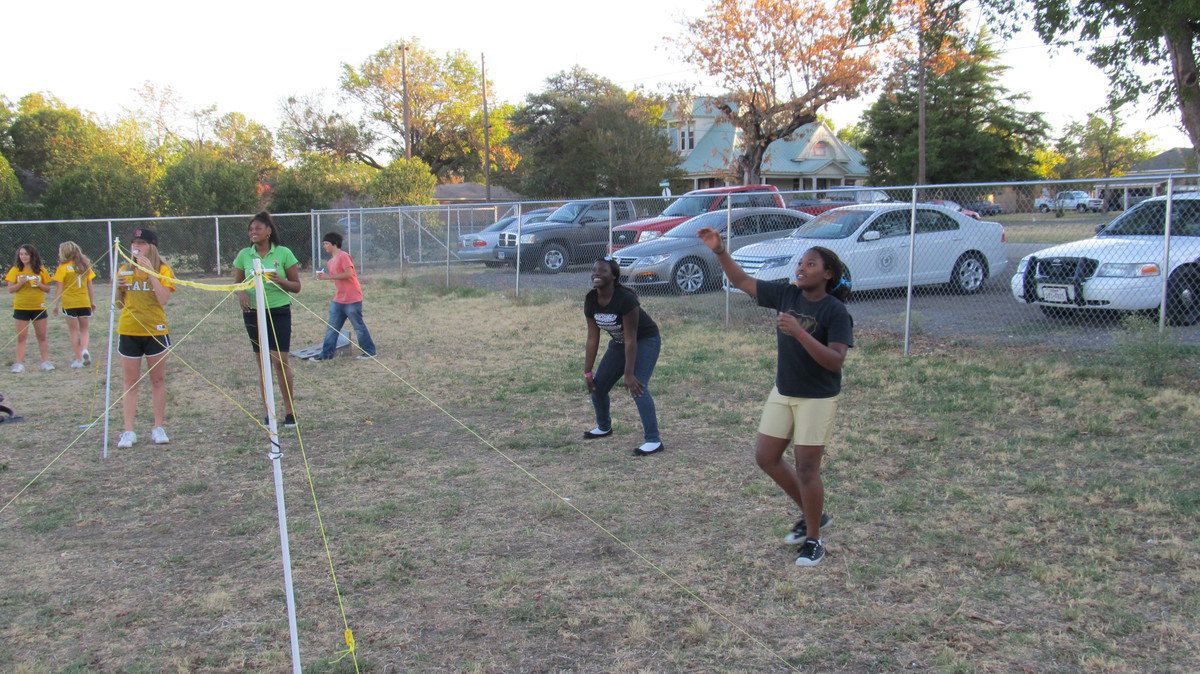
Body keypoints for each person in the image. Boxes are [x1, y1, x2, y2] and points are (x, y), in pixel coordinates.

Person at [697, 227, 853, 567]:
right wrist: (721, 251)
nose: (801, 268)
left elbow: (835, 360)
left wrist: (799, 333)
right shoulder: (787, 295)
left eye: (810, 264)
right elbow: (742, 281)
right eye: (800, 263)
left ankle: (814, 539)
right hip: (784, 391)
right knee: (766, 457)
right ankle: (817, 515)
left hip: (817, 398)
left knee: (807, 469)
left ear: (827, 274)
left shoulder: (835, 312)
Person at [582, 257, 663, 456]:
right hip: (620, 343)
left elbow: (631, 339)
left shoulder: (625, 299)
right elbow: (593, 337)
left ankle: (653, 440)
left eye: (602, 271)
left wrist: (629, 373)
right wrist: (587, 372)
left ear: (614, 276)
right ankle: (604, 427)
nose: (596, 274)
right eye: (594, 271)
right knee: (598, 387)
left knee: (638, 386)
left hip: (645, 340)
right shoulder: (591, 299)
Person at [233, 211, 301, 428]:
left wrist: (280, 280)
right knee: (262, 363)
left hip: (279, 310)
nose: (253, 232)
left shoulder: (283, 253)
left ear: (269, 231)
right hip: (253, 313)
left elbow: (296, 286)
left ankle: (290, 412)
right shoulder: (245, 254)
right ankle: (268, 411)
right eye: (251, 229)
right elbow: (237, 284)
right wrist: (242, 293)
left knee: (280, 361)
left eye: (258, 229)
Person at [115, 229, 174, 448]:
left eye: (141, 243)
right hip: (129, 329)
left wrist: (150, 271)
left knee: (157, 380)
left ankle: (158, 427)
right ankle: (128, 431)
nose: (136, 247)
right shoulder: (124, 269)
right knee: (130, 382)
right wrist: (119, 289)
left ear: (152, 246)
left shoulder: (163, 269)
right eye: (134, 243)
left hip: (155, 330)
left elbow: (164, 298)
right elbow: (119, 304)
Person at [313, 231, 377, 360]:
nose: (324, 246)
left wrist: (328, 277)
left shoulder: (344, 256)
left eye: (326, 243)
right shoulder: (331, 262)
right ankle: (326, 355)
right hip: (339, 299)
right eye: (324, 243)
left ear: (334, 244)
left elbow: (349, 274)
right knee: (332, 327)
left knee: (358, 326)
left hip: (352, 298)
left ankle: (369, 351)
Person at [6, 244, 54, 373]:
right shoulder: (15, 270)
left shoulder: (41, 270)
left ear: (32, 255)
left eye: (26, 254)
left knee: (41, 336)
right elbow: (10, 289)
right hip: (21, 307)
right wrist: (20, 283)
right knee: (21, 336)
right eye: (21, 254)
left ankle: (45, 362)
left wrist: (39, 284)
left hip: (38, 307)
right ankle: (19, 363)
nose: (23, 257)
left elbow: (48, 289)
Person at [50, 241, 97, 368]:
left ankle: (79, 359)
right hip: (84, 302)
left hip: (70, 304)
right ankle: (85, 349)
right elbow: (90, 286)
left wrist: (55, 305)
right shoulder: (84, 266)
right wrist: (92, 302)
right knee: (84, 329)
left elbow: (59, 289)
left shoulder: (63, 268)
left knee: (73, 331)